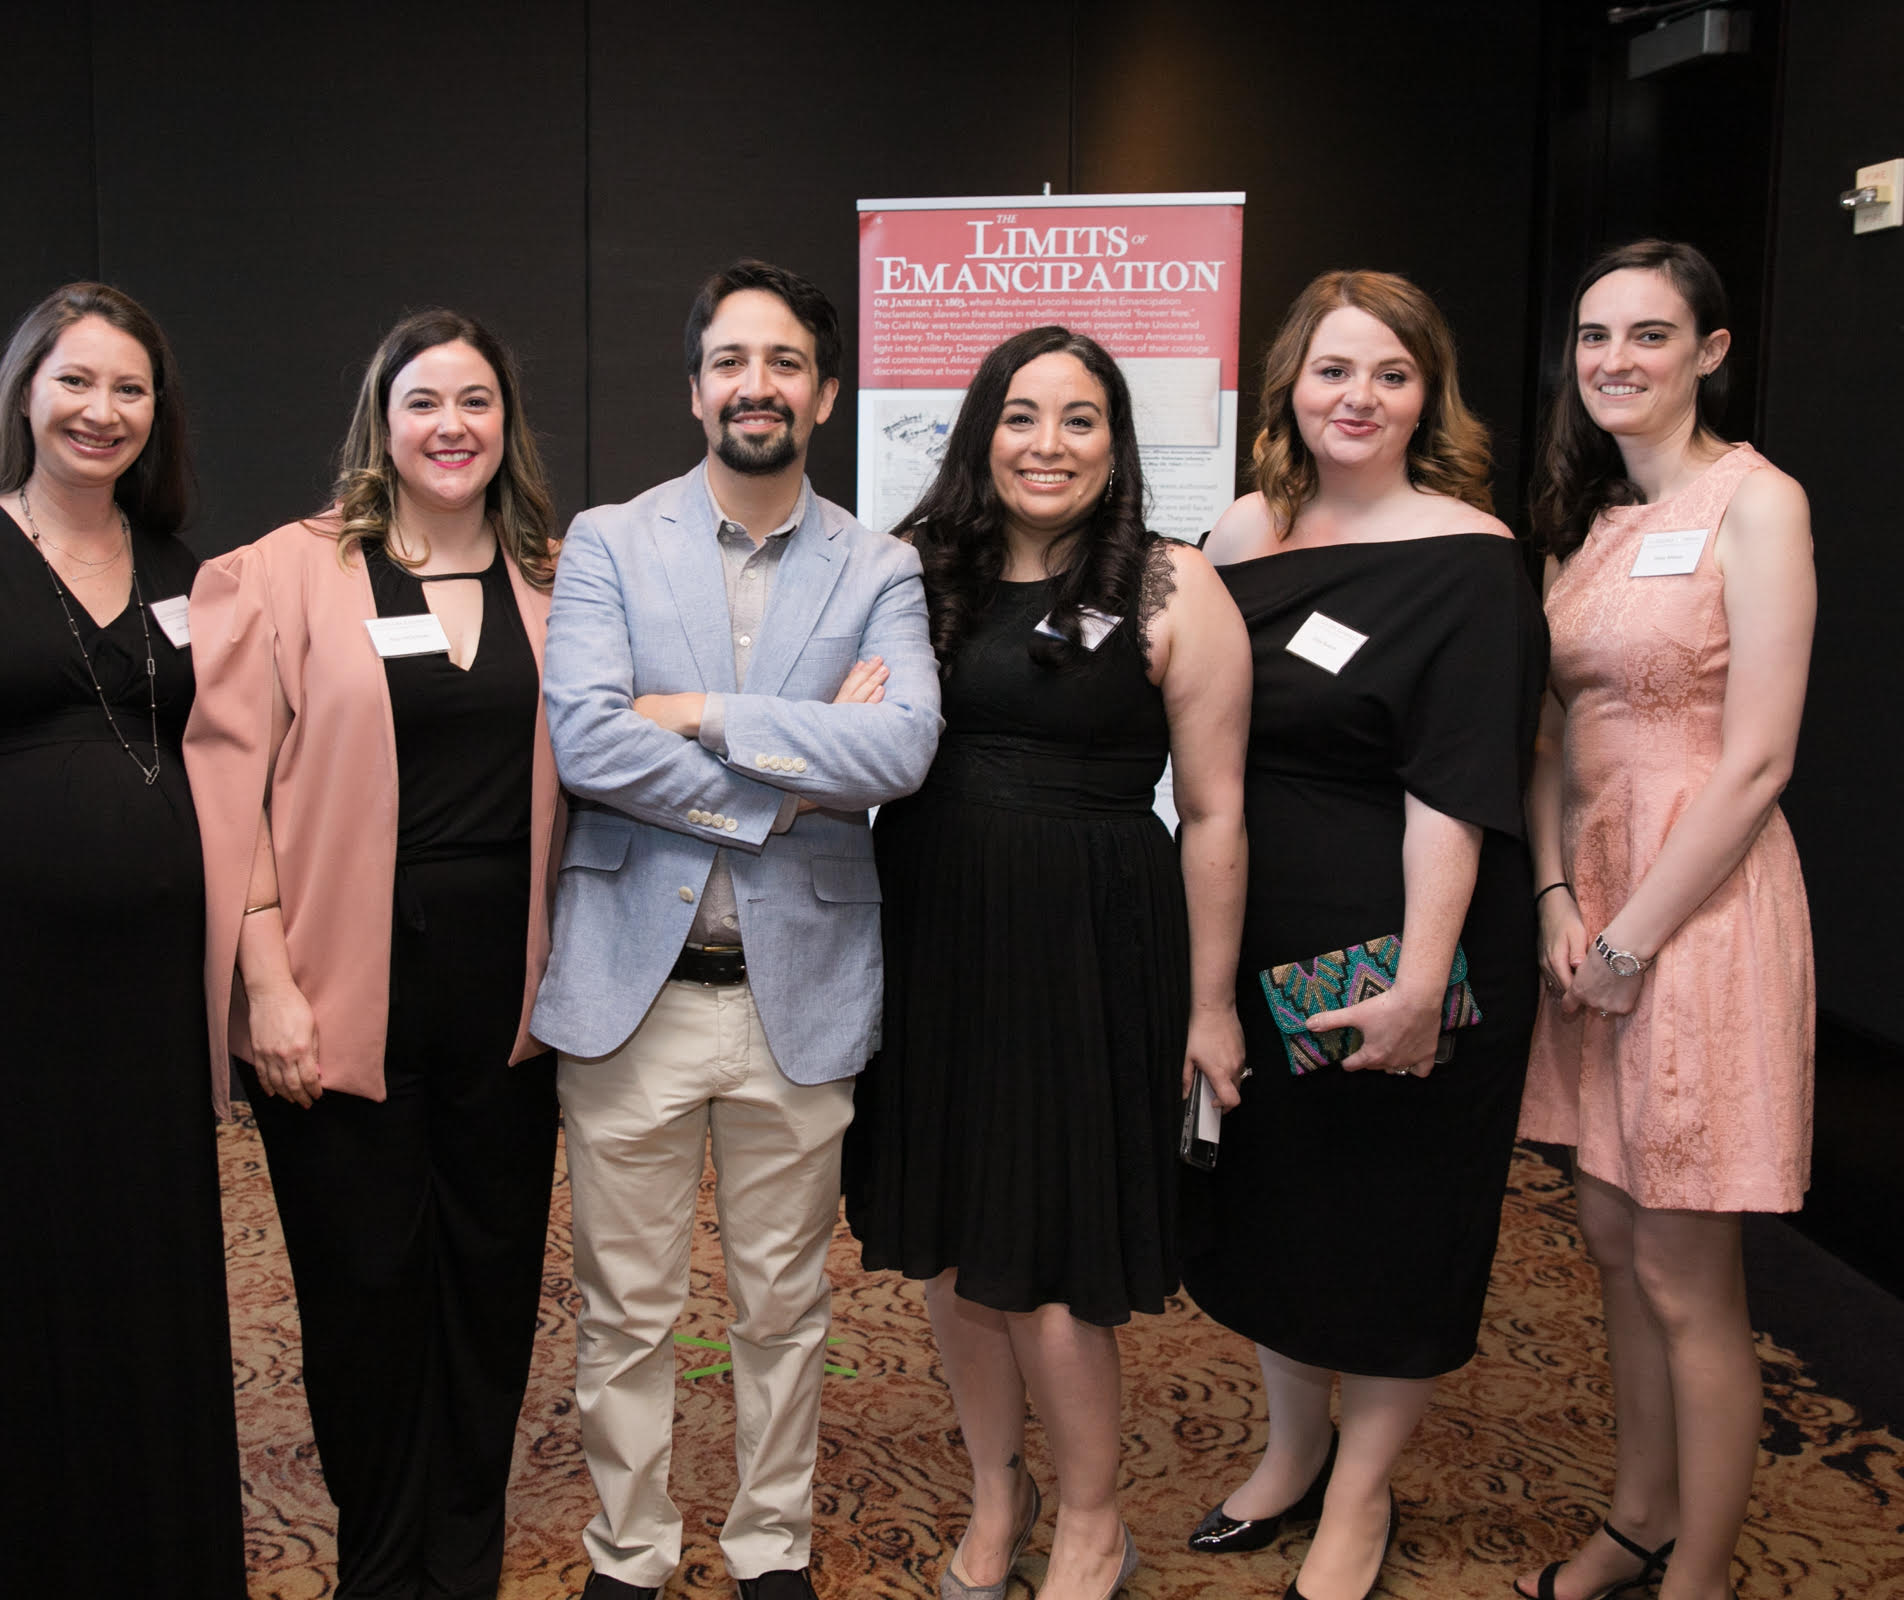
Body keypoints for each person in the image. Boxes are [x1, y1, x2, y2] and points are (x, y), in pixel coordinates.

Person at [534, 259, 944, 1600]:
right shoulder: (608, 538)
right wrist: (790, 781)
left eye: (782, 363)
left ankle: (773, 1549)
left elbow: (899, 749)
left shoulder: (881, 562)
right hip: (633, 987)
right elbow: (588, 738)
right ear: (696, 383)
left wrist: (698, 713)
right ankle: (629, 1553)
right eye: (730, 361)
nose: (754, 385)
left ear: (823, 394)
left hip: (800, 988)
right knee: (626, 1312)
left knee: (783, 1309)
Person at [842, 326, 1252, 1600]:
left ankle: (1091, 1514)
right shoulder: (914, 573)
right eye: (1022, 417)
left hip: (1086, 948)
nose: (1048, 445)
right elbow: (847, 730)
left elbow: (1221, 813)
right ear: (982, 432)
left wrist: (1212, 1003)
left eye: (1081, 421)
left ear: (1118, 444)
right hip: (934, 935)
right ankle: (994, 1487)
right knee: (956, 1246)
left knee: (1055, 1264)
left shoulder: (1175, 585)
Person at [184, 308, 565, 1600]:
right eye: (423, 403)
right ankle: (380, 1555)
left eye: (475, 401)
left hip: (511, 1008)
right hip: (338, 996)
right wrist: (267, 983)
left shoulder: (557, 580)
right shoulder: (280, 576)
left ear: (506, 425)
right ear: (380, 423)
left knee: (493, 1287)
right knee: (364, 1292)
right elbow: (229, 801)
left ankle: (463, 1547)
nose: (450, 426)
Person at [1180, 271, 1547, 1600]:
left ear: (1427, 395)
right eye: (1335, 370)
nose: (1361, 398)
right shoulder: (1238, 535)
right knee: (1278, 1210)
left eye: (1392, 374)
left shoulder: (1471, 553)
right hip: (1257, 940)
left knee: (1396, 1223)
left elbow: (1458, 784)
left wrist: (1420, 981)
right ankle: (1290, 1454)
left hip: (1410, 949)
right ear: (1290, 385)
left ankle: (1361, 1495)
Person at [0, 283, 244, 1596]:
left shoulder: (181, 568)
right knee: (7, 1265)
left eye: (131, 389)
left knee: (147, 1269)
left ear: (158, 414)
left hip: (153, 994)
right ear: (24, 395)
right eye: (78, 381)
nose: (104, 410)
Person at [1513, 241, 1815, 1600]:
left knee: (1691, 1269)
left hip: (1700, 910)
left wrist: (1635, 934)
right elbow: (1543, 743)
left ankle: (1699, 1572)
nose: (1615, 361)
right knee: (1617, 1241)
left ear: (1711, 349)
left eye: (1648, 334)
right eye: (1594, 336)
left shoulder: (1759, 503)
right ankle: (1638, 1522)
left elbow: (1757, 760)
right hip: (1591, 907)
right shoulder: (1586, 524)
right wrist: (1558, 900)